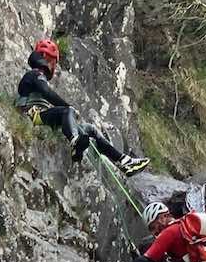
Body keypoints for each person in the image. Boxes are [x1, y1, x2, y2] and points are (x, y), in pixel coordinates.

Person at [16, 39, 150, 176]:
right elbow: (47, 93)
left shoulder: (37, 76)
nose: (53, 66)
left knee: (90, 129)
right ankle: (75, 141)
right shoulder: (35, 74)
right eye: (52, 62)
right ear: (45, 59)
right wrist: (69, 108)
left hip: (42, 116)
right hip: (32, 115)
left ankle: (123, 161)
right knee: (68, 111)